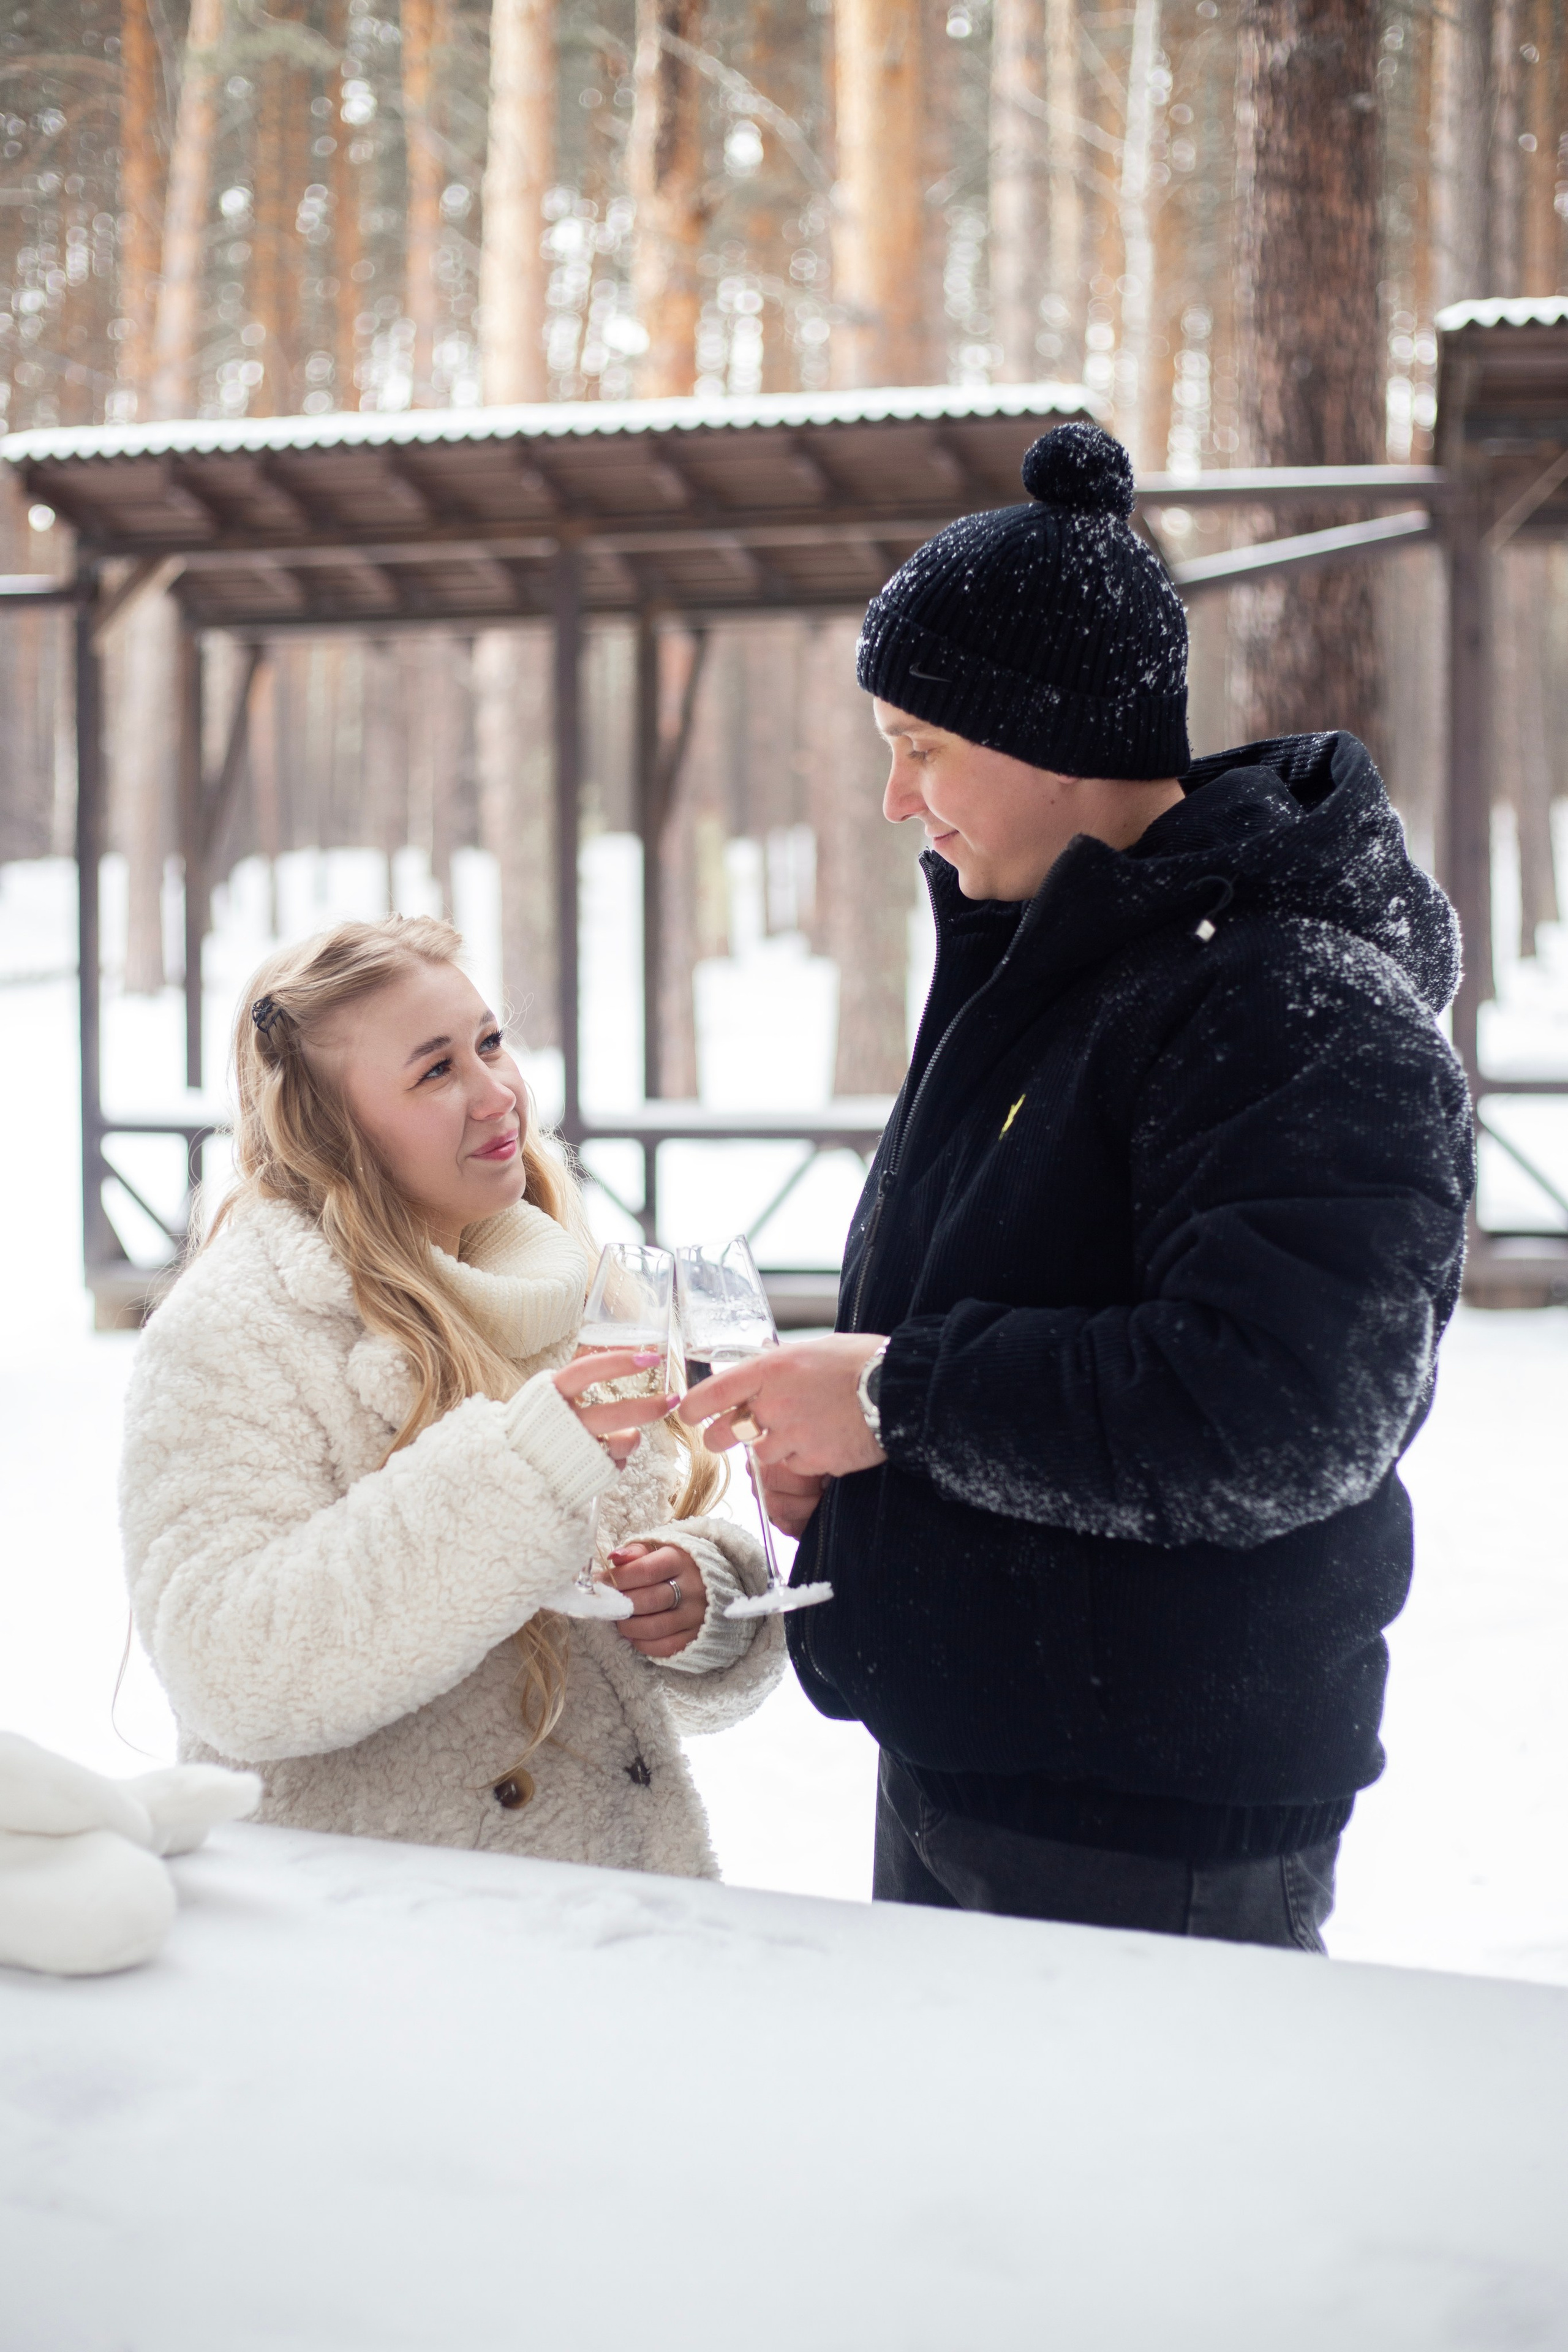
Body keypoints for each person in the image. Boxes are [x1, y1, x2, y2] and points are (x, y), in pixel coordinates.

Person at [685, 421, 1474, 1950]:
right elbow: (1008, 1321)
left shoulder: (1287, 1004)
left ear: (1047, 738)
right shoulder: (1044, 964)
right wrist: (862, 1484)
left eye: (923, 746)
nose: (899, 799)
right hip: (978, 1765)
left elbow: (1282, 1419)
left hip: (1144, 1828)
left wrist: (898, 1400)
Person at [121, 916, 780, 1877]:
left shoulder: (558, 1274)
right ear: (328, 1129)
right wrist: (521, 1471)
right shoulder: (233, 1328)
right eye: (435, 1071)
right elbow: (228, 1668)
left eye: (490, 1042)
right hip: (385, 1935)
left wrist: (698, 1600)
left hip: (619, 1918)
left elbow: (662, 1542)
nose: (496, 1093)